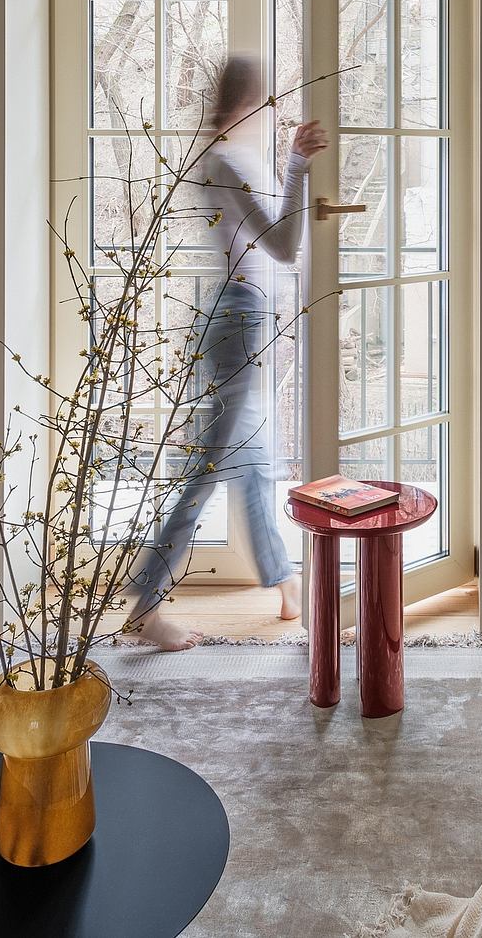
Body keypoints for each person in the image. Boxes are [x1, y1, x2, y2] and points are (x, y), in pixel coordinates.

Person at [125, 54, 326, 651]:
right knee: (205, 469)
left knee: (257, 466)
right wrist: (298, 164)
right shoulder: (225, 160)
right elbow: (286, 244)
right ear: (251, 101)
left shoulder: (226, 158)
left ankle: (286, 585)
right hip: (237, 321)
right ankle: (146, 606)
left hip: (242, 319)